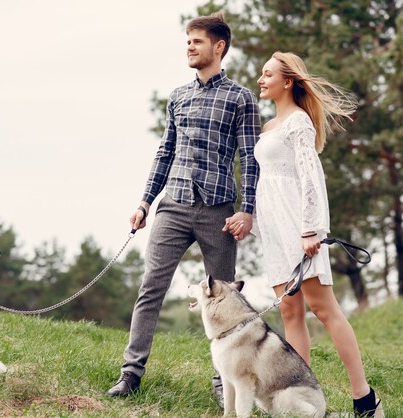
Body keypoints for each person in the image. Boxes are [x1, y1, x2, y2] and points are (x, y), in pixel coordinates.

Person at [106, 12, 260, 403]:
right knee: (150, 288)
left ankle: (223, 385)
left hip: (219, 211)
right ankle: (131, 374)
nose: (190, 47)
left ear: (219, 47)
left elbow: (250, 157)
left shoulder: (241, 98)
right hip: (172, 206)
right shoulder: (178, 97)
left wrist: (248, 209)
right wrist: (145, 202)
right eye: (187, 41)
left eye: (197, 41)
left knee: (227, 301)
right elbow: (165, 152)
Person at [226, 51, 383, 417]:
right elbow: (262, 180)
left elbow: (311, 177)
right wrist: (248, 217)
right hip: (275, 232)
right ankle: (304, 400)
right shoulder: (267, 128)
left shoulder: (299, 123)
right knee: (291, 313)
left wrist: (311, 228)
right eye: (261, 74)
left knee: (324, 309)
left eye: (268, 75)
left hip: (299, 225)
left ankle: (365, 399)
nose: (261, 79)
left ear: (288, 81)